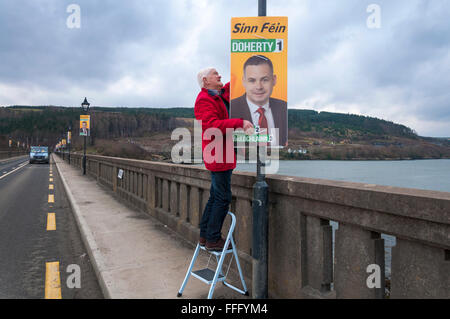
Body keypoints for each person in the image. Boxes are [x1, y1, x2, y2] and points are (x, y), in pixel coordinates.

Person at [195, 67, 253, 252]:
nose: (219, 75)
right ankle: (213, 239)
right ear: (205, 81)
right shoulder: (204, 100)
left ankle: (205, 236)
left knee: (215, 196)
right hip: (218, 155)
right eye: (215, 73)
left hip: (221, 155)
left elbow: (231, 86)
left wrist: (244, 66)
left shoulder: (217, 95)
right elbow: (212, 125)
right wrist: (240, 122)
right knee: (222, 197)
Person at [231, 55, 287, 147]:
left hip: (276, 158)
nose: (259, 87)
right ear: (243, 81)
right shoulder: (231, 109)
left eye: (265, 80)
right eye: (252, 80)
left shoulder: (284, 108)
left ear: (274, 80)